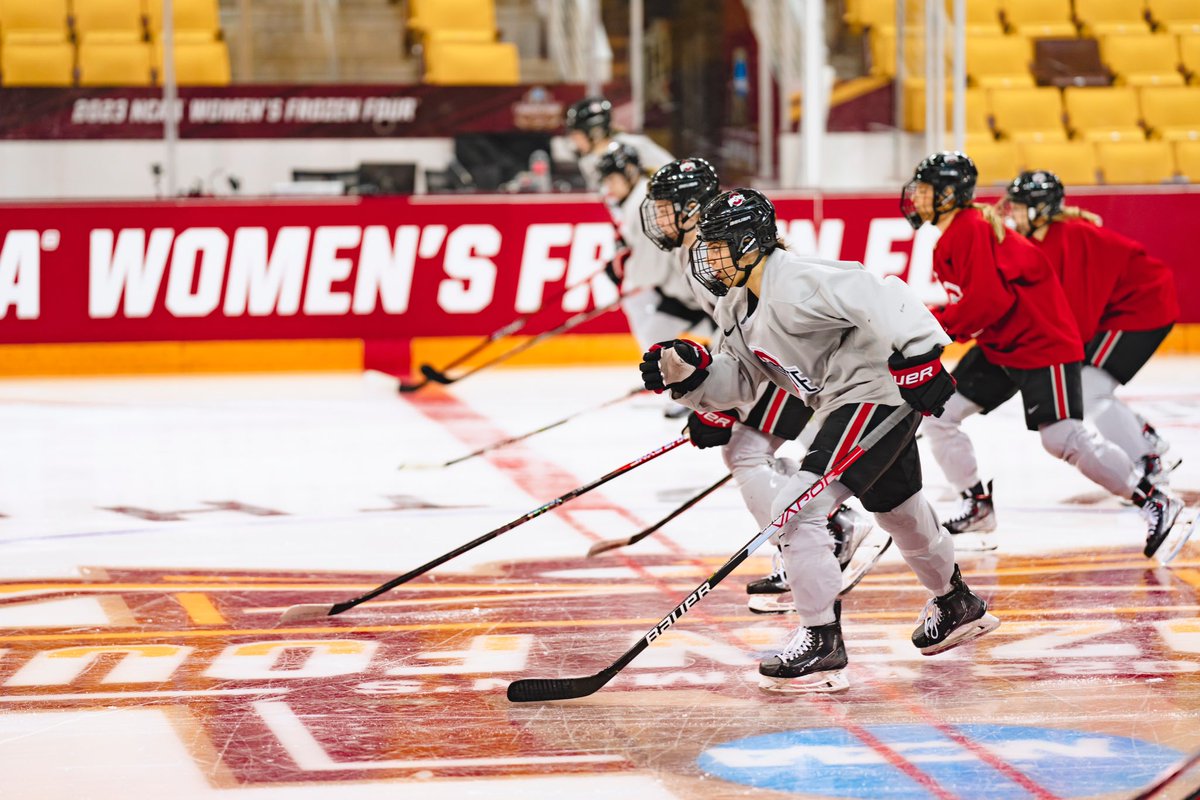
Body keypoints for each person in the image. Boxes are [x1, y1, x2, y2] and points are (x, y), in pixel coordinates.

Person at [639, 187, 999, 693]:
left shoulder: (798, 279)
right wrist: (693, 379)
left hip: (872, 394)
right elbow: (738, 383)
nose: (709, 257)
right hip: (845, 402)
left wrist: (921, 354)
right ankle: (956, 602)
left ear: (750, 243)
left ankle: (821, 636)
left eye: (720, 246)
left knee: (796, 506)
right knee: (898, 507)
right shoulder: (738, 305)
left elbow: (883, 293)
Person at [905, 152, 1182, 559]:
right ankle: (977, 504)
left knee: (1062, 438)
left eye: (926, 191)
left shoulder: (969, 229)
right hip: (1003, 343)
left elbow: (987, 302)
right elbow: (986, 304)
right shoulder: (960, 231)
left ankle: (1153, 498)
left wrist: (928, 328)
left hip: (1040, 344)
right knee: (940, 415)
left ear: (948, 194)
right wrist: (935, 325)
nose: (917, 199)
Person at [640, 158, 876, 601]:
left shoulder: (713, 250)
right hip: (780, 359)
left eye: (668, 206)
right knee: (750, 451)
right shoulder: (704, 247)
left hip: (787, 360)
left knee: (745, 449)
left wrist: (722, 403)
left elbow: (748, 328)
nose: (659, 216)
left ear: (692, 207)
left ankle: (828, 530)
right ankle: (826, 529)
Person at [1002, 170, 1179, 482]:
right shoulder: (1046, 238)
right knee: (1089, 386)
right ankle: (1145, 436)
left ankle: (1147, 461)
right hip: (1127, 308)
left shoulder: (1071, 237)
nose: (1012, 214)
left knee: (1089, 390)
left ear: (1039, 209)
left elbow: (1078, 313)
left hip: (1142, 307)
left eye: (1018, 207)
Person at [596, 142, 709, 353]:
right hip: (686, 295)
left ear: (629, 172)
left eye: (611, 179)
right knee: (654, 334)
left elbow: (649, 271)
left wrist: (624, 270)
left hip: (695, 297)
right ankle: (661, 380)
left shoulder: (641, 202)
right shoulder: (638, 198)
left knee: (646, 320)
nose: (608, 187)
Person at [564, 96, 674, 191]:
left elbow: (672, 170)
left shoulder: (635, 145)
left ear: (595, 132)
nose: (574, 142)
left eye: (576, 136)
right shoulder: (586, 162)